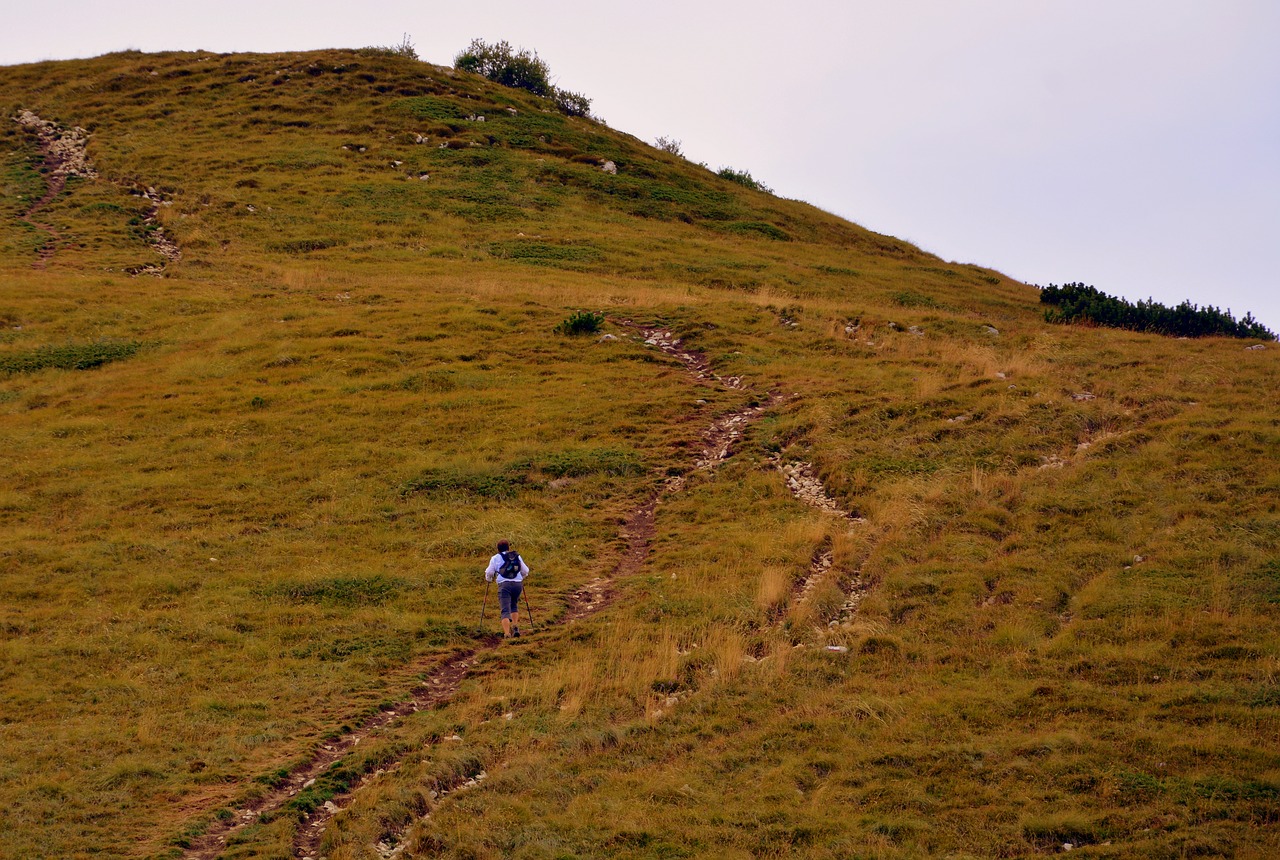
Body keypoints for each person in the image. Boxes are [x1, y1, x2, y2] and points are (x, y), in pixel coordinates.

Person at [484, 539, 530, 638]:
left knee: (505, 610)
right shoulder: (516, 556)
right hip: (518, 584)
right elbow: (525, 570)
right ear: (508, 548)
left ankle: (507, 634)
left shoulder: (495, 558)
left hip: (504, 585)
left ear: (498, 549)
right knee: (514, 605)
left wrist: (489, 579)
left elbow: (489, 573)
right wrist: (521, 577)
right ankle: (515, 627)